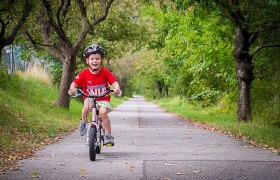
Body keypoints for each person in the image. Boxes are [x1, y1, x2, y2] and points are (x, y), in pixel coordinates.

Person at [69, 44, 121, 145]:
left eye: (97, 58)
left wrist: (116, 88)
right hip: (89, 98)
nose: (95, 61)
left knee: (103, 113)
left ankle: (108, 135)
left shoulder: (105, 72)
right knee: (86, 108)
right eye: (92, 59)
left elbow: (114, 82)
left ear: (101, 60)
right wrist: (72, 89)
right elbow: (74, 83)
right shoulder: (84, 73)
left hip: (103, 98)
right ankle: (84, 121)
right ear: (87, 61)